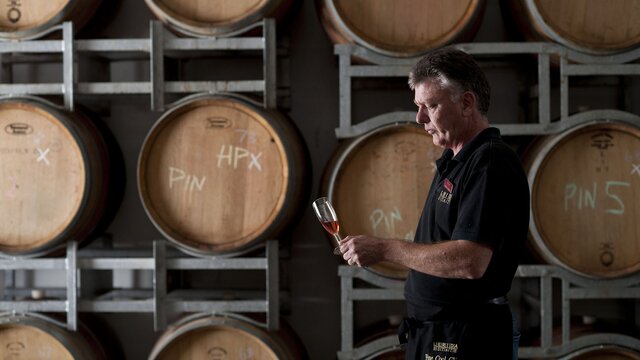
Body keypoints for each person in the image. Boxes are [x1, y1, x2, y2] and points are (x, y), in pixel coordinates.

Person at [338, 47, 530, 359]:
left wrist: (386, 249)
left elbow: (470, 261)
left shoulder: (489, 162)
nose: (420, 117)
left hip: (468, 336)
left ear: (467, 103)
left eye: (431, 105)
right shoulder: (456, 160)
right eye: (418, 106)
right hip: (440, 333)